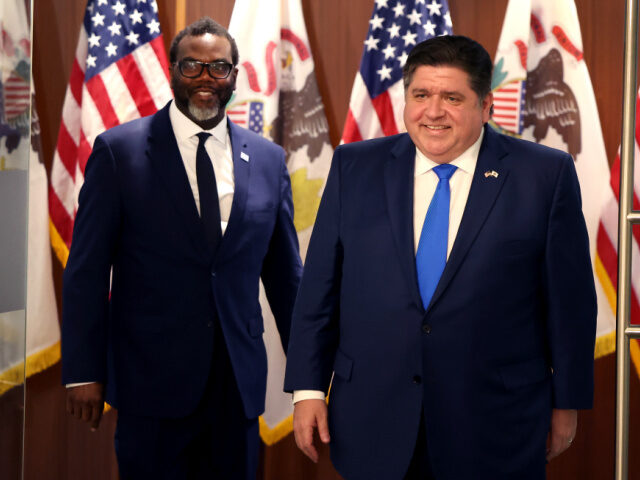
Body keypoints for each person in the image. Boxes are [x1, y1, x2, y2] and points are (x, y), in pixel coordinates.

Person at [284, 35, 596, 480]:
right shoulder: (354, 166)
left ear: (486, 105)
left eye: (452, 97)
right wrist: (308, 389)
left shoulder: (544, 175)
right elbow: (319, 290)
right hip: (372, 420)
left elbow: (570, 304)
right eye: (421, 95)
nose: (433, 112)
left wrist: (567, 402)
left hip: (496, 425)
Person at [62, 17, 302, 479]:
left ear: (235, 76)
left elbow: (286, 278)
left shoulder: (268, 159)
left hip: (238, 387)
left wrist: (310, 376)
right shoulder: (120, 152)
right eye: (192, 66)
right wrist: (83, 370)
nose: (205, 79)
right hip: (151, 385)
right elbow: (87, 271)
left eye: (219, 68)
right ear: (172, 70)